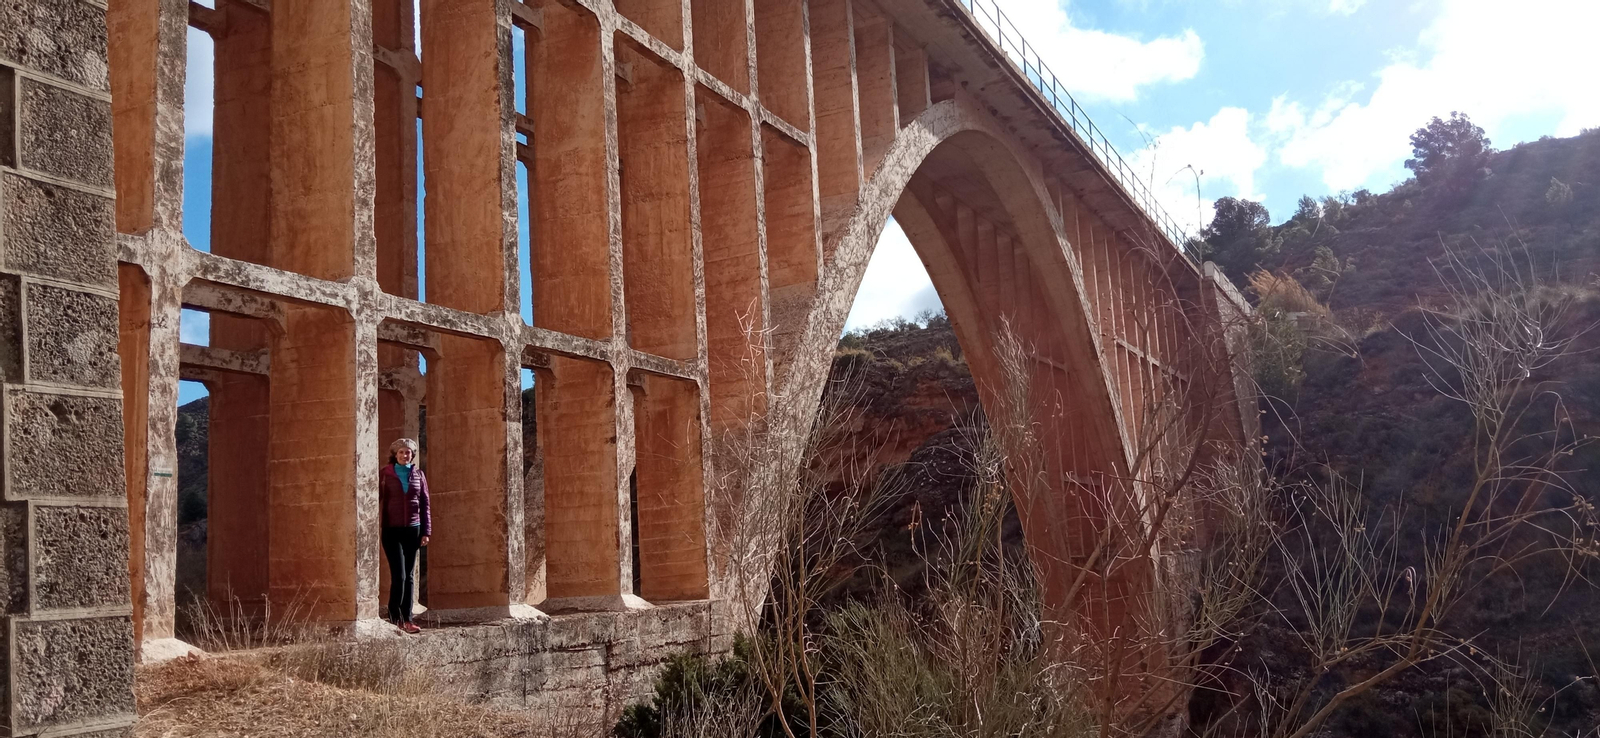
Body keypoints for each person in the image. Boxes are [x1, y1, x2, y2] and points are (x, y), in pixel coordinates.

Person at [379, 438, 430, 633]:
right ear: (395, 455)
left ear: (412, 455)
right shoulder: (386, 474)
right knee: (399, 575)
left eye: (408, 452)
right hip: (391, 529)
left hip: (413, 529)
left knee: (409, 576)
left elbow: (425, 504)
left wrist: (426, 531)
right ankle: (394, 618)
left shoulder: (418, 474)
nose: (404, 455)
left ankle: (407, 619)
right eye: (401, 452)